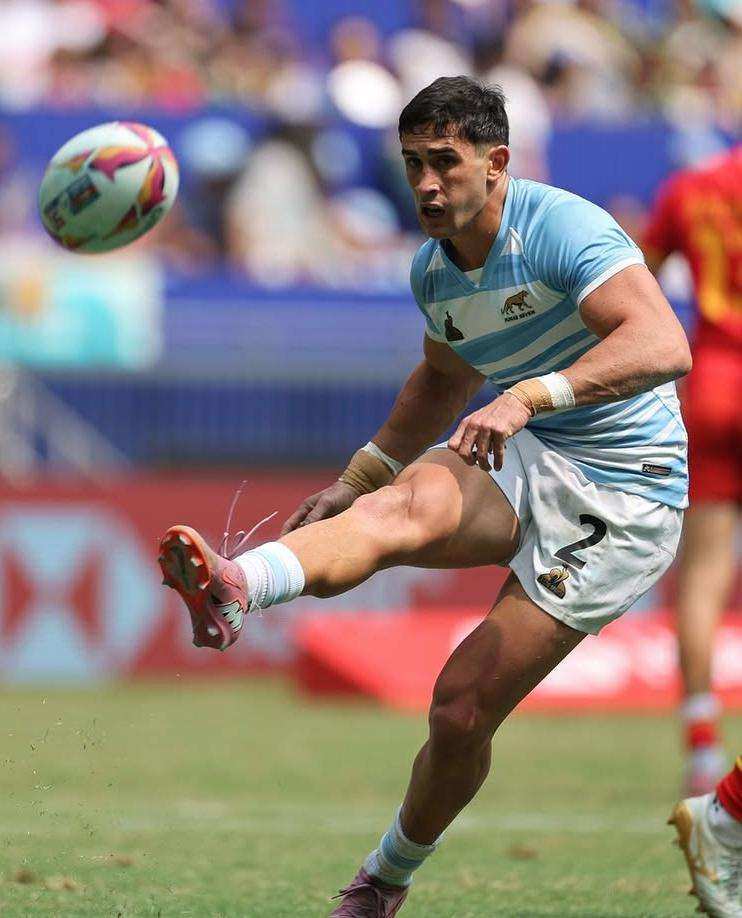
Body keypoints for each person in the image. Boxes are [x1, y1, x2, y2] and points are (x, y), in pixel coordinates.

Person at [158, 78, 731, 916]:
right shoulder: (434, 269)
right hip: (529, 450)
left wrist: (528, 396)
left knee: (460, 713)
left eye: (445, 164)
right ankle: (240, 586)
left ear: (496, 163)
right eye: (413, 164)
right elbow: (442, 378)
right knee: (394, 509)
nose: (425, 184)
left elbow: (662, 340)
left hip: (627, 492)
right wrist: (356, 481)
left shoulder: (563, 227)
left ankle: (386, 878)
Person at [643, 145, 741, 797]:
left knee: (704, 570)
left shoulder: (693, 186)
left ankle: (703, 746)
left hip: (714, 383)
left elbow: (635, 281)